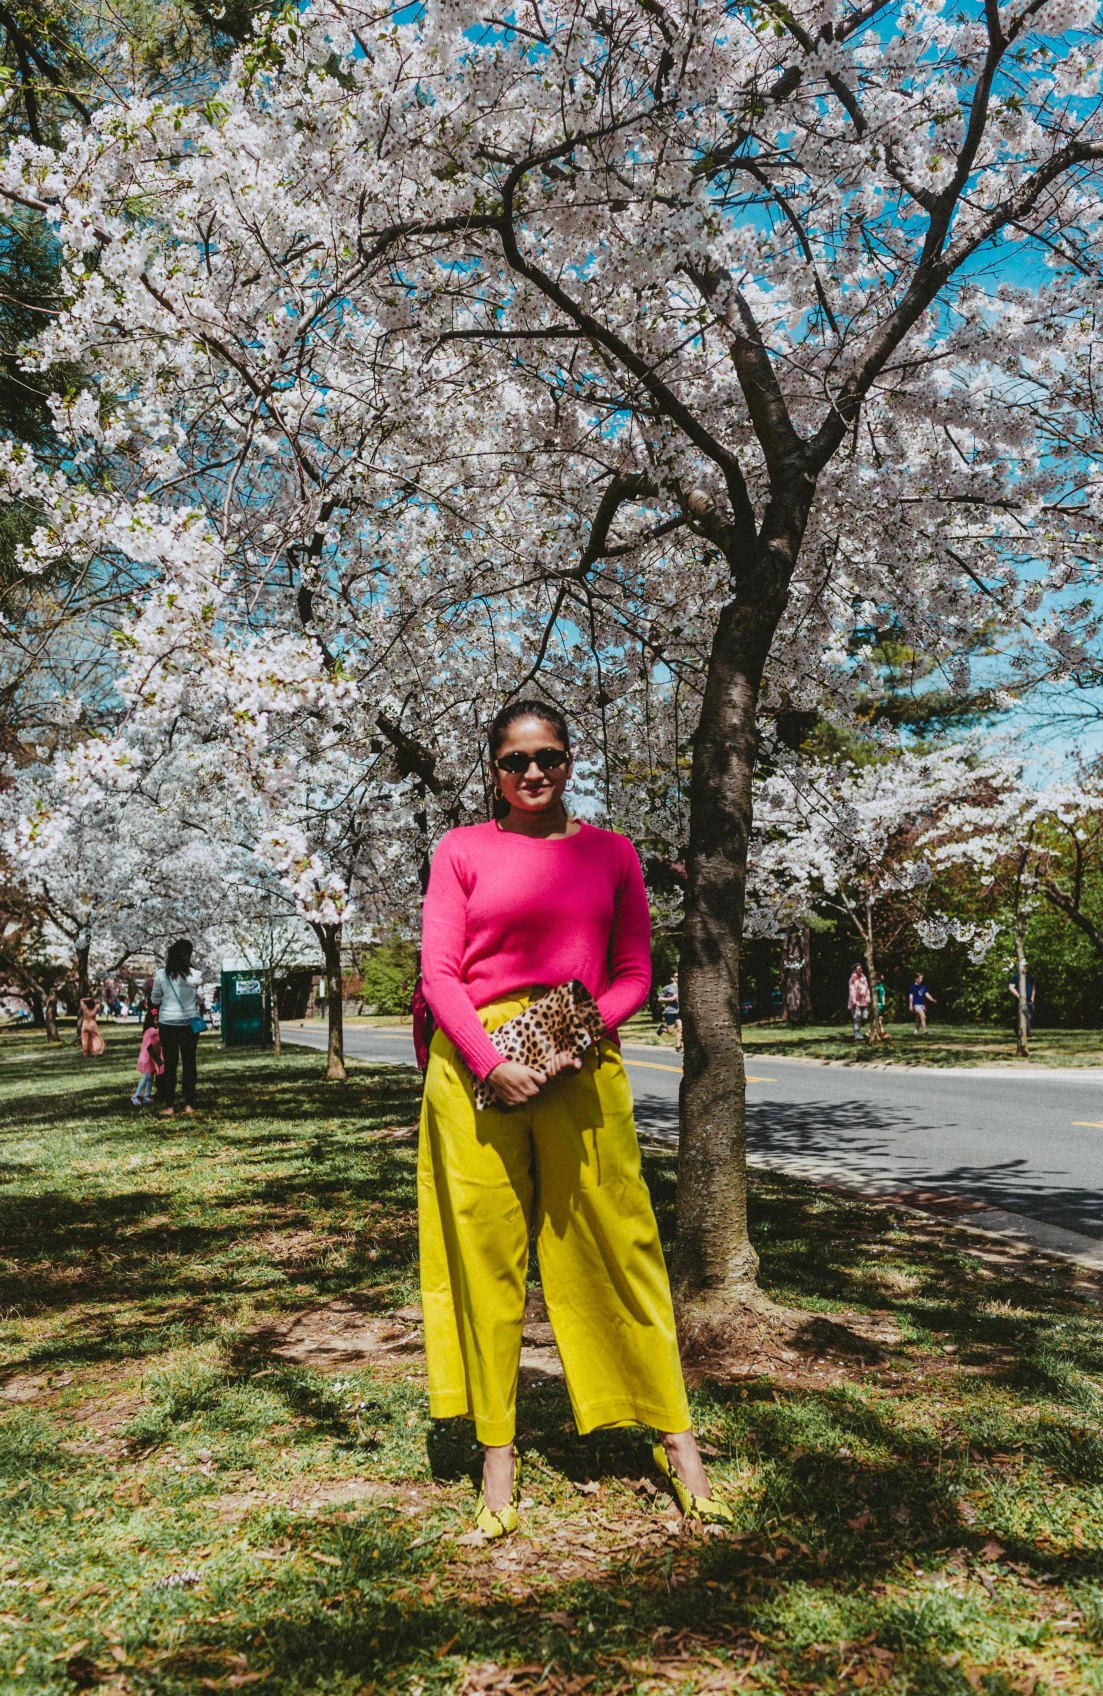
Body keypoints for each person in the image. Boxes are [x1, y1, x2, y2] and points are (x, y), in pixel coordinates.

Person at [418, 698, 732, 1539]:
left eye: (548, 757)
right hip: (475, 1074)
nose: (532, 773)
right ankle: (497, 1455)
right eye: (515, 760)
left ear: (569, 761)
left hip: (580, 1067)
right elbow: (438, 973)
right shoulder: (460, 850)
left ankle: (675, 1436)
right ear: (492, 768)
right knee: (484, 1259)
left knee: (619, 1243)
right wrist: (493, 1061)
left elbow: (633, 970)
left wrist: (572, 1040)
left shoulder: (611, 853)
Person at [151, 938, 204, 1116]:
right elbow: (201, 999)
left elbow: (155, 1000)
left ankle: (170, 1105)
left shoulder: (160, 975)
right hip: (189, 1024)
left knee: (171, 1064)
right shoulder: (195, 975)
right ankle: (189, 1104)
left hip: (168, 1023)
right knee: (189, 1063)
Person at [132, 1010, 163, 1106]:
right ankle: (136, 1095)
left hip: (153, 1056)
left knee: (151, 1077)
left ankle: (147, 1095)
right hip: (147, 1057)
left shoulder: (154, 1030)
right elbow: (158, 1032)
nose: (158, 1021)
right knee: (147, 1076)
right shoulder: (151, 1030)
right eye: (157, 1019)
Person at [1008, 963, 1035, 1036]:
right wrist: (1018, 995)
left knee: (1029, 1016)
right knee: (1022, 1016)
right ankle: (1022, 1033)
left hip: (1029, 1001)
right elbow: (1011, 987)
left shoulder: (1029, 976)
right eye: (1024, 966)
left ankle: (1026, 1032)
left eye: (1026, 966)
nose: (1026, 967)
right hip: (1021, 1001)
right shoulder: (1016, 976)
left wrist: (1032, 997)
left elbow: (1033, 987)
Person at [657, 975, 682, 1050]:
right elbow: (659, 999)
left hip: (679, 1011)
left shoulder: (683, 986)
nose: (678, 977)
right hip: (670, 1011)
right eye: (676, 976)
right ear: (672, 978)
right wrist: (671, 998)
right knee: (670, 1031)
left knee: (680, 1028)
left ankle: (678, 1046)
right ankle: (662, 1029)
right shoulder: (668, 988)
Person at [847, 963, 871, 1040]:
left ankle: (860, 1028)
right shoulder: (852, 979)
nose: (860, 970)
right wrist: (853, 1000)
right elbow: (851, 990)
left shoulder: (864, 978)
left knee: (864, 1016)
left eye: (861, 968)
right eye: (858, 969)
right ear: (855, 970)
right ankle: (857, 1033)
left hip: (864, 1001)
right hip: (855, 1001)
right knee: (857, 1017)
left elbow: (867, 989)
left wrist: (868, 998)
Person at [78, 992, 105, 1057]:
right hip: (92, 1023)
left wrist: (89, 999)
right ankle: (96, 1051)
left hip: (85, 1023)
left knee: (85, 1038)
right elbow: (99, 1004)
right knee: (96, 1037)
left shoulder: (85, 1008)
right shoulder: (95, 1008)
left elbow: (81, 1000)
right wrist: (94, 1000)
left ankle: (85, 1052)